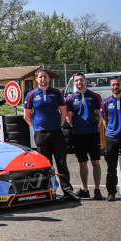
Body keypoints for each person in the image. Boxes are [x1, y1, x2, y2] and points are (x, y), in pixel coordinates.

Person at [24, 69, 80, 202]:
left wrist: (59, 125)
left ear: (49, 79)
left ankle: (67, 191)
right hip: (40, 134)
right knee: (45, 164)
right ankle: (46, 191)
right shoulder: (31, 95)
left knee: (61, 163)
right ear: (36, 79)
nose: (43, 79)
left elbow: (63, 111)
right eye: (41, 77)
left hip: (56, 132)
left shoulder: (56, 93)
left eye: (45, 77)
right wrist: (36, 127)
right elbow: (26, 116)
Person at [66, 72, 104, 199]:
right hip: (78, 134)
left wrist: (96, 127)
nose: (78, 82)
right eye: (76, 81)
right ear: (74, 83)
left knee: (95, 162)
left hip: (92, 134)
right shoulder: (70, 99)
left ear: (85, 81)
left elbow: (99, 115)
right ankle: (84, 189)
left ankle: (97, 189)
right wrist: (76, 127)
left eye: (81, 80)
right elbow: (68, 117)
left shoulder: (95, 97)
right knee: (82, 163)